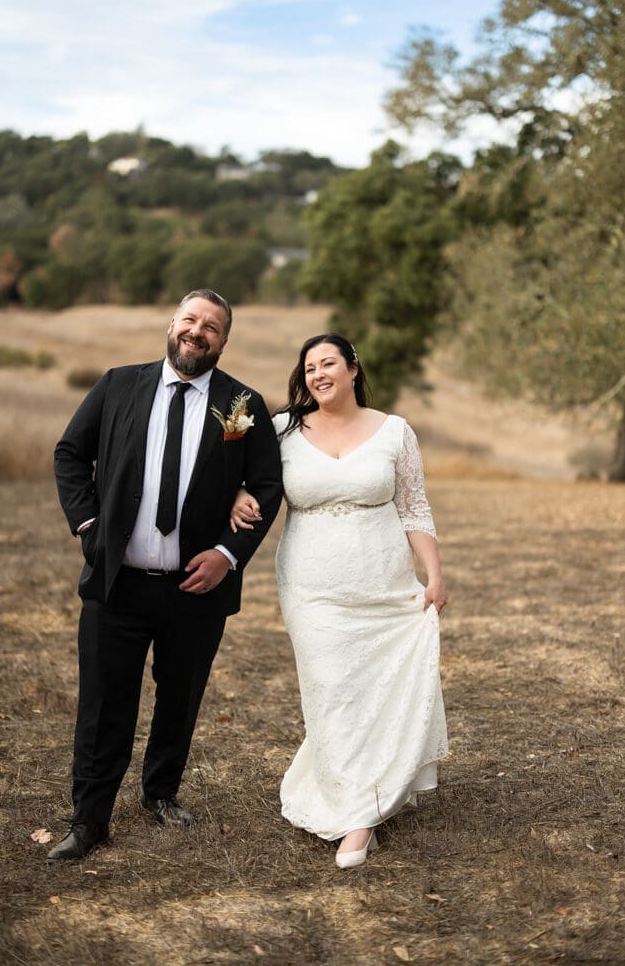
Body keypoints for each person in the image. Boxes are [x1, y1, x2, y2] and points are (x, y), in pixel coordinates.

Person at [48, 289, 283, 862]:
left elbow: (266, 488)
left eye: (211, 327)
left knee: (180, 697)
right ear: (171, 324)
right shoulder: (118, 384)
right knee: (104, 702)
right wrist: (87, 525)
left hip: (196, 588)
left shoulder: (244, 404)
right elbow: (70, 454)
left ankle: (161, 793)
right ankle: (90, 820)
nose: (197, 332)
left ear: (224, 341)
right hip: (118, 583)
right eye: (189, 320)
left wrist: (227, 554)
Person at [231, 333, 448, 869]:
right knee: (331, 689)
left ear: (353, 368)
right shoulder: (281, 429)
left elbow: (414, 507)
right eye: (309, 367)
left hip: (384, 582)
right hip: (312, 585)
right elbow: (243, 474)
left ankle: (369, 802)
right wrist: (238, 493)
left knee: (379, 687)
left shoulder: (395, 431)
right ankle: (356, 812)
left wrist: (435, 575)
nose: (318, 374)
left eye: (328, 363)